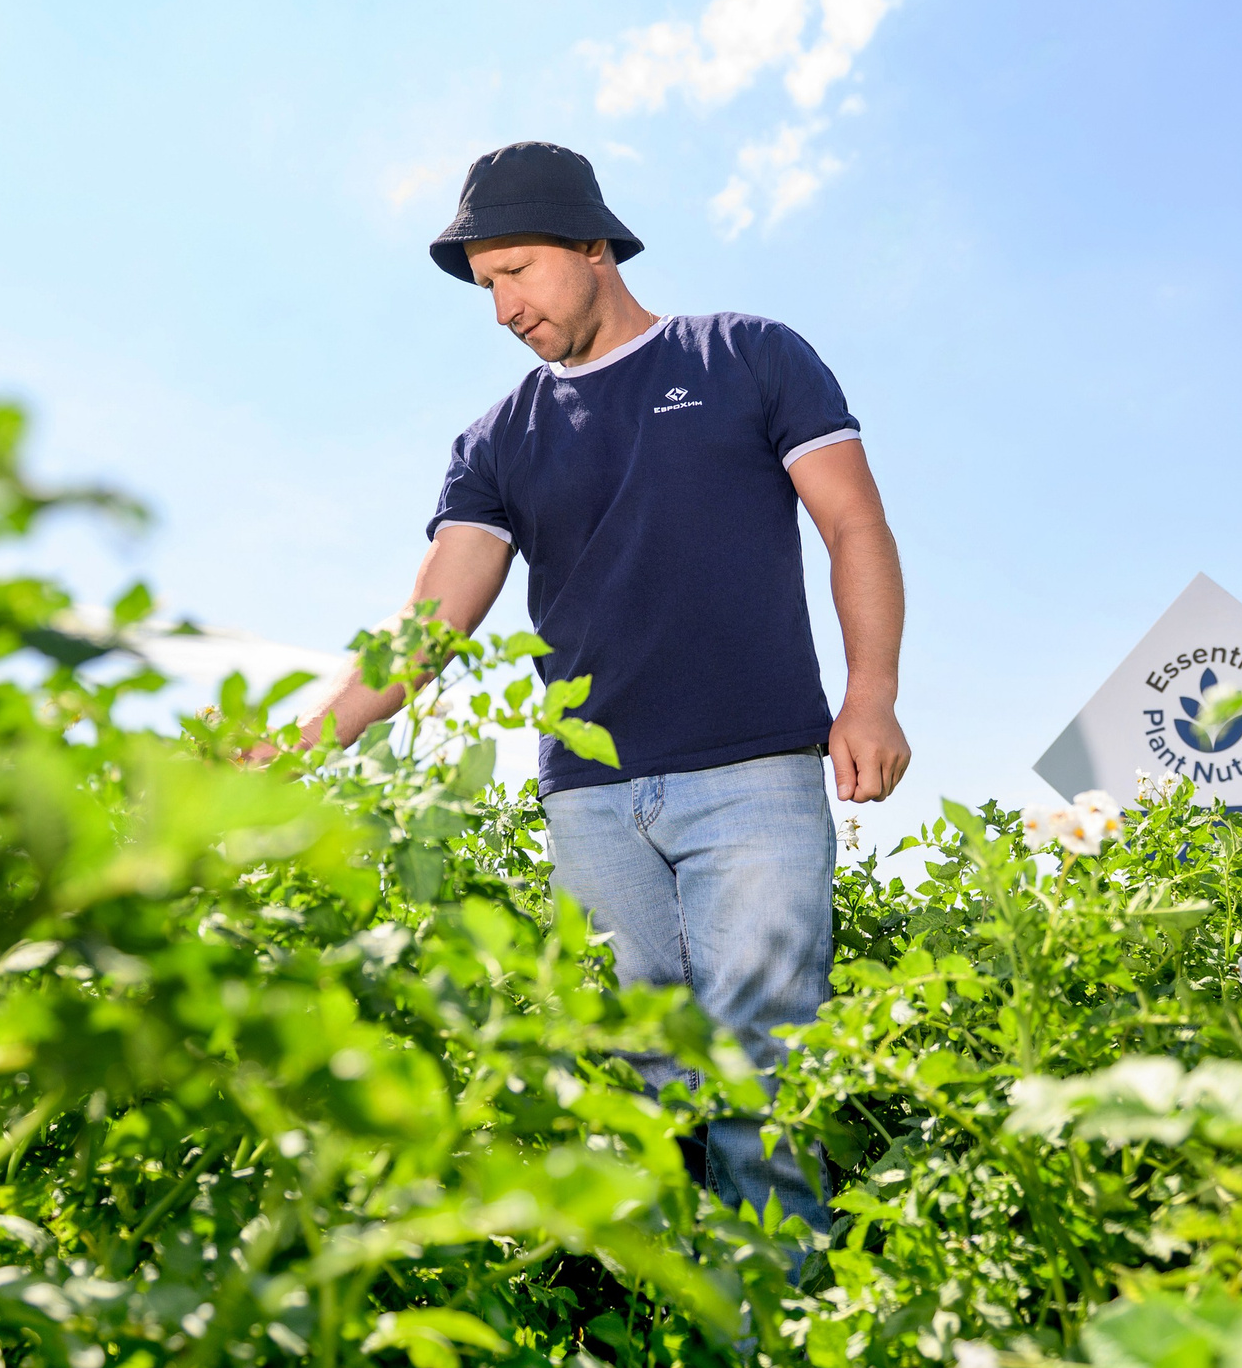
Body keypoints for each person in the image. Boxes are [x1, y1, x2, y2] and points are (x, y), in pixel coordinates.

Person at [285, 141, 909, 1238]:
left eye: (517, 271)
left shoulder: (748, 355)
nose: (502, 308)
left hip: (752, 772)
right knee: (637, 1078)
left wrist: (870, 694)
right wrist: (293, 743)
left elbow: (851, 522)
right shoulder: (495, 441)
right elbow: (427, 625)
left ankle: (786, 1360)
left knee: (763, 1067)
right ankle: (672, 1351)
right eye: (487, 287)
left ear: (592, 244)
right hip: (589, 801)